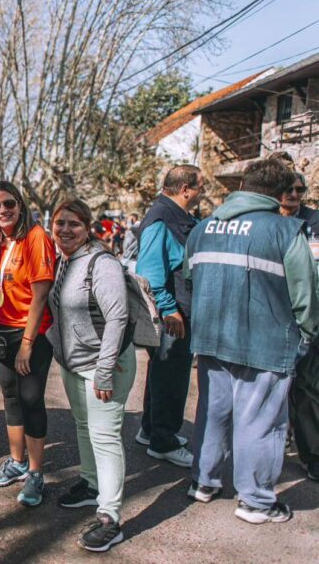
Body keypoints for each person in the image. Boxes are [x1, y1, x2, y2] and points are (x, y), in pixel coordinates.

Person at [185, 158, 319, 524]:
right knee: (261, 422)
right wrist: (308, 333)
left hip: (211, 339)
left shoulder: (202, 228)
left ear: (243, 185)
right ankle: (256, 501)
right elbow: (305, 295)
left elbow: (190, 278)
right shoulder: (286, 230)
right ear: (279, 193)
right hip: (267, 342)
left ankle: (204, 482)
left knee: (212, 414)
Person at [47, 199, 136, 553]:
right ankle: (90, 484)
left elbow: (117, 318)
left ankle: (110, 518)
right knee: (83, 426)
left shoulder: (102, 263)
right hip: (74, 363)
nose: (65, 230)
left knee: (105, 437)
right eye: (59, 224)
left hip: (105, 367)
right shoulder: (63, 262)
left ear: (88, 228)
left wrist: (103, 372)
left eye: (74, 224)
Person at [0, 181, 56, 507]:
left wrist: (27, 342)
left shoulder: (35, 237)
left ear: (20, 205)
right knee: (10, 396)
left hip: (30, 333)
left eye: (8, 204)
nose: (2, 211)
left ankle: (36, 473)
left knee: (31, 400)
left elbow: (41, 293)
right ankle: (17, 461)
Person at [134, 165, 203, 468]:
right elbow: (148, 271)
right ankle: (163, 441)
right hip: (173, 314)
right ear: (186, 189)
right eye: (201, 186)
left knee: (163, 373)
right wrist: (168, 308)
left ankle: (150, 431)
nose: (203, 192)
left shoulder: (175, 217)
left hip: (178, 310)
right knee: (171, 377)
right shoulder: (162, 218)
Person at [279, 171, 319, 481]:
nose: (294, 194)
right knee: (273, 388)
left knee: (307, 387)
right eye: (287, 189)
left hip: (308, 317)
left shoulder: (314, 221)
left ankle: (312, 454)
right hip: (274, 315)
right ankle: (275, 445)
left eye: (299, 189)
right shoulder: (266, 221)